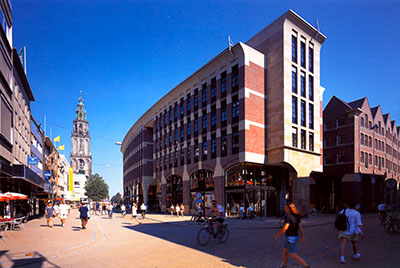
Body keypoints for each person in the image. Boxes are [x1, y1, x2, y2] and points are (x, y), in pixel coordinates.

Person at [274, 202, 310, 268]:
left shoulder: (288, 217)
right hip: (296, 237)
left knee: (293, 255)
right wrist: (302, 236)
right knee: (285, 250)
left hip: (290, 238)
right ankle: (284, 265)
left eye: (286, 208)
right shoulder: (297, 216)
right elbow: (300, 227)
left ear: (289, 209)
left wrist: (277, 235)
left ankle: (306, 266)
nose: (285, 209)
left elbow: (285, 228)